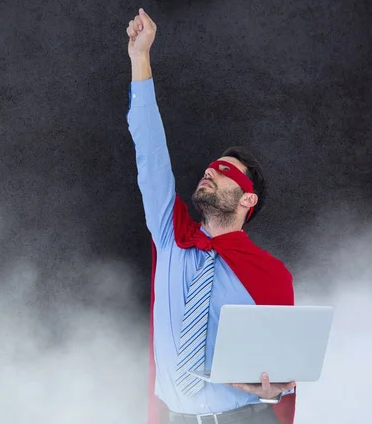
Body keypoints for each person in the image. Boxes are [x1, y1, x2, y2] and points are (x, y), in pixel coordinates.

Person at [125, 8, 298, 424]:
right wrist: (140, 59)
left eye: (225, 172)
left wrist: (280, 387)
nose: (210, 171)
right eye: (210, 167)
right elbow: (150, 154)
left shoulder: (270, 275)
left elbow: (288, 373)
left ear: (247, 200)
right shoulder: (171, 235)